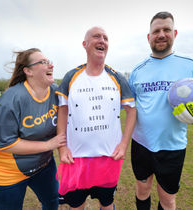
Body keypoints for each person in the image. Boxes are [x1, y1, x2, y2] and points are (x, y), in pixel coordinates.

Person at [129, 12, 193, 210]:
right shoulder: (137, 70)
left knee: (168, 200)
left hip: (173, 146)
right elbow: (131, 107)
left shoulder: (190, 65)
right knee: (142, 189)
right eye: (156, 31)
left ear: (174, 33)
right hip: (141, 143)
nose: (161, 34)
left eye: (166, 30)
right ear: (148, 37)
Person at [56, 26, 136, 210]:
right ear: (84, 44)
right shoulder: (71, 76)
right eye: (96, 37)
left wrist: (124, 144)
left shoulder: (117, 77)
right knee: (76, 205)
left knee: (107, 204)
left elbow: (132, 111)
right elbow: (62, 110)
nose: (102, 41)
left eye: (105, 38)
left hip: (109, 157)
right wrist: (62, 147)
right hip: (75, 158)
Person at [0, 48, 66, 210]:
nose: (51, 65)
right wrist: (48, 145)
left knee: (52, 201)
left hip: (43, 165)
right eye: (43, 62)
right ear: (28, 71)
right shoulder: (12, 98)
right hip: (5, 174)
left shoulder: (56, 91)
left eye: (50, 62)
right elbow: (3, 143)